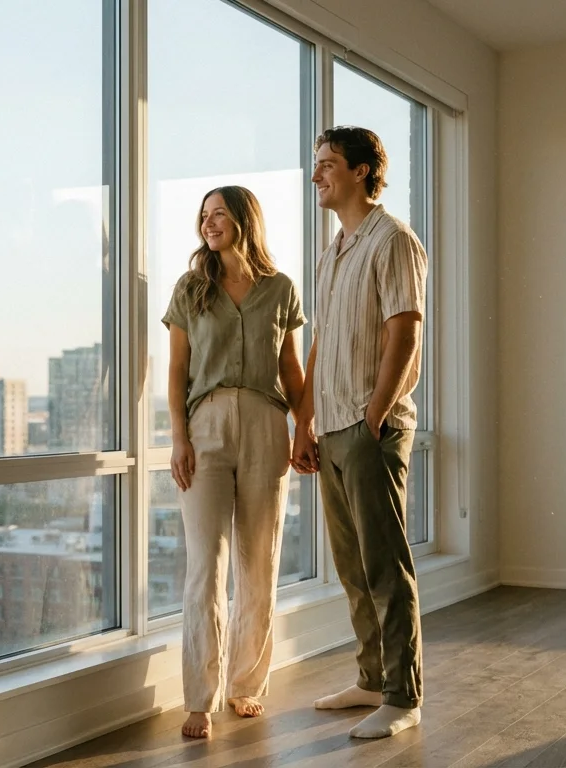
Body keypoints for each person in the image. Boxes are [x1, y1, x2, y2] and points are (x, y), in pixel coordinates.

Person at [292, 126, 428, 739]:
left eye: (327, 164)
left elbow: (405, 331)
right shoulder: (333, 251)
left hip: (371, 427)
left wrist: (374, 415)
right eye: (316, 164)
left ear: (362, 171)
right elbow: (322, 343)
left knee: (385, 568)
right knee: (352, 568)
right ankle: (372, 679)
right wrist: (304, 422)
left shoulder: (392, 239)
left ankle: (402, 697)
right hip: (331, 429)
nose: (316, 174)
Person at [164, 185, 308, 739]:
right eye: (204, 215)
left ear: (245, 219)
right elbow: (177, 371)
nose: (208, 223)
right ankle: (199, 699)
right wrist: (179, 438)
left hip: (267, 426)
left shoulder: (280, 289)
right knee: (206, 566)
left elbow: (291, 370)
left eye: (219, 213)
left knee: (259, 563)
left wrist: (304, 428)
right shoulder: (191, 288)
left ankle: (245, 683)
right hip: (206, 427)